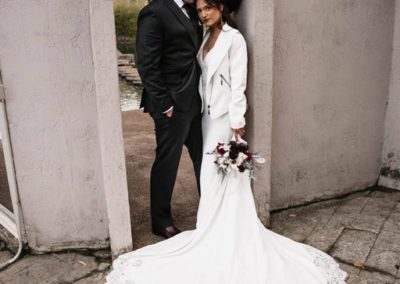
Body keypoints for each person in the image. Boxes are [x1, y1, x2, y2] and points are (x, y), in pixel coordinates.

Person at [107, 0, 348, 283]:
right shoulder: (163, 14)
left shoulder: (227, 36)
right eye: (200, 10)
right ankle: (175, 222)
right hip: (185, 109)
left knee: (210, 169)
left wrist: (237, 120)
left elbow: (234, 82)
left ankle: (219, 225)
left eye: (207, 8)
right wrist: (164, 104)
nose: (202, 14)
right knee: (176, 163)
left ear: (220, 7)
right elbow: (147, 62)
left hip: (213, 114)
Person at [135, 0, 203, 239]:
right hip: (171, 105)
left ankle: (210, 210)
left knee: (203, 157)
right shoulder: (155, 11)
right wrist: (164, 104)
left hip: (195, 101)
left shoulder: (195, 11)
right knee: (168, 161)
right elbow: (146, 63)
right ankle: (161, 221)